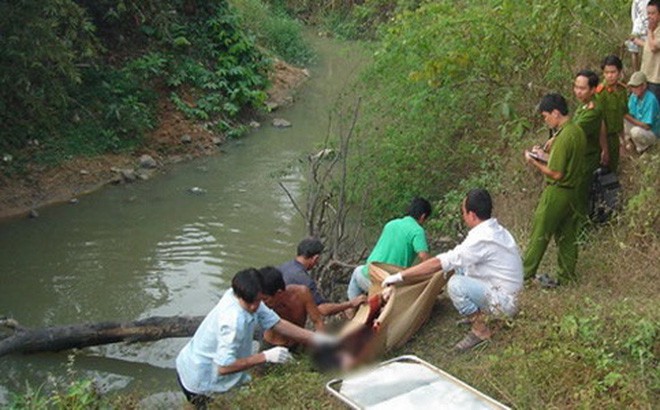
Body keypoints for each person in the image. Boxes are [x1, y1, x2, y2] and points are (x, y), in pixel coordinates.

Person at [382, 189, 523, 351]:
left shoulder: (482, 238)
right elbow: (457, 260)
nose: (463, 216)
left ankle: (480, 329)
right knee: (458, 269)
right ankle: (481, 315)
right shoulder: (495, 230)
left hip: (505, 302)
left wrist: (400, 276)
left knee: (456, 284)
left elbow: (441, 262)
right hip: (504, 290)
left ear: (472, 214)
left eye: (463, 212)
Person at [175, 268, 333, 408]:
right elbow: (223, 367)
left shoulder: (246, 295)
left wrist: (318, 338)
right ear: (239, 295)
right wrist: (265, 356)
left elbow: (277, 323)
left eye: (258, 300)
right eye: (250, 303)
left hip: (194, 363)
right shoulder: (233, 322)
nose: (254, 307)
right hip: (200, 379)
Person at [523, 94, 586, 287]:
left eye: (546, 116)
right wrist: (543, 155)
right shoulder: (576, 131)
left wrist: (534, 161)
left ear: (556, 113)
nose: (545, 120)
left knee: (540, 232)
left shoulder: (564, 136)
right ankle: (567, 276)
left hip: (557, 192)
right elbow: (562, 161)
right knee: (567, 236)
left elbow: (557, 172)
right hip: (573, 192)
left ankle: (524, 275)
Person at [347, 197, 432, 299]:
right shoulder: (417, 231)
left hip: (370, 276)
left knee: (358, 271)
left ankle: (352, 310)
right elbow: (424, 258)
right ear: (423, 216)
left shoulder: (390, 224)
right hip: (391, 285)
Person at [278, 237, 366, 316]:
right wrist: (350, 304)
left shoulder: (282, 267)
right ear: (315, 258)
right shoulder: (305, 281)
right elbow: (323, 309)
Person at [259, 266, 325, 348]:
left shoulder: (302, 293)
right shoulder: (262, 307)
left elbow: (317, 321)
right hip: (272, 345)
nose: (262, 302)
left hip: (297, 344)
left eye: (265, 299)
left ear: (279, 293)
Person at [571, 69, 607, 218]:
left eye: (582, 88)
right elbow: (602, 127)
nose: (578, 92)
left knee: (581, 195)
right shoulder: (585, 105)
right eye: (576, 87)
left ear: (592, 90)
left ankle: (582, 228)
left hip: (588, 157)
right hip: (583, 156)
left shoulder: (593, 110)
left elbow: (573, 131)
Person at [596, 55, 628, 173]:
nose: (610, 75)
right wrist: (604, 148)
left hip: (615, 137)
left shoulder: (622, 90)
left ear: (619, 72)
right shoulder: (600, 93)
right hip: (602, 138)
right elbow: (600, 123)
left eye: (613, 72)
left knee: (613, 170)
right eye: (606, 72)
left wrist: (623, 140)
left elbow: (622, 115)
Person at [624, 71, 660, 153]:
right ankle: (631, 142)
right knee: (623, 118)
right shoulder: (634, 96)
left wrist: (627, 117)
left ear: (644, 86)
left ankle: (643, 149)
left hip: (652, 132)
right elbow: (630, 114)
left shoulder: (651, 99)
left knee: (635, 132)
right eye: (632, 86)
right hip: (639, 125)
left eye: (636, 86)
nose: (633, 89)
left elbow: (647, 126)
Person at [634, 0, 660, 103]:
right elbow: (649, 45)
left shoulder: (654, 29)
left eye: (653, 13)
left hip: (656, 78)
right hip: (646, 75)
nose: (650, 17)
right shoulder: (654, 29)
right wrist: (637, 41)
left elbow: (653, 47)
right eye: (648, 13)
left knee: (654, 108)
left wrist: (649, 30)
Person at [628, 0, 649, 71]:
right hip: (638, 26)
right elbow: (634, 14)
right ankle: (636, 72)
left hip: (651, 26)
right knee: (633, 49)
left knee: (648, 50)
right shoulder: (637, 1)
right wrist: (636, 25)